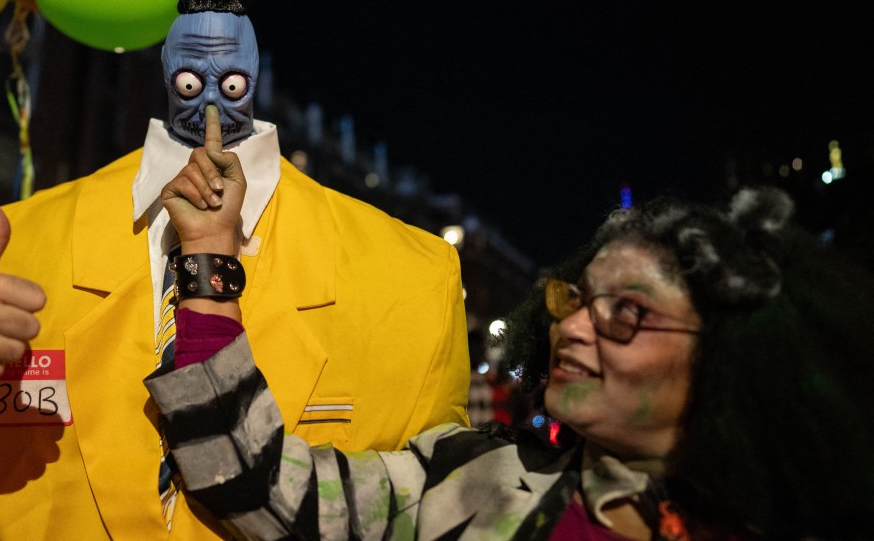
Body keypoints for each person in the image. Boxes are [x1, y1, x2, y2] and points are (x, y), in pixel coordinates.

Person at [0, 0, 471, 540]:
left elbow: (436, 516)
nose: (208, 97)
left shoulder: (412, 276)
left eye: (229, 83)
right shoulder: (4, 248)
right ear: (167, 73)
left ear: (254, 76)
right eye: (189, 81)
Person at [151, 146, 874, 540]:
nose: (575, 326)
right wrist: (211, 257)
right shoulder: (475, 484)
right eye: (575, 297)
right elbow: (255, 480)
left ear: (728, 355)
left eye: (626, 311)